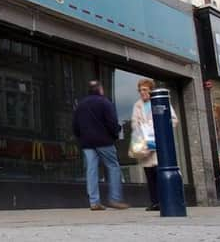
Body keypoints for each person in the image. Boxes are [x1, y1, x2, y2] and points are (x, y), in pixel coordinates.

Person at [72, 80, 129, 211]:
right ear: (100, 90)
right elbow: (112, 122)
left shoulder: (80, 105)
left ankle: (94, 202)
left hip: (87, 143)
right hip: (104, 141)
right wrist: (115, 134)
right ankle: (115, 199)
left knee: (91, 170)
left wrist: (81, 138)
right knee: (113, 167)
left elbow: (75, 126)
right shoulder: (105, 102)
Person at [130, 78, 178, 212]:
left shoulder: (160, 101)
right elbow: (133, 122)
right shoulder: (137, 105)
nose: (142, 93)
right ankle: (154, 202)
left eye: (144, 90)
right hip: (145, 144)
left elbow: (173, 120)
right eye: (140, 90)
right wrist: (139, 126)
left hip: (159, 143)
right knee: (149, 174)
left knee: (159, 172)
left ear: (150, 90)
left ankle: (165, 200)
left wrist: (159, 127)